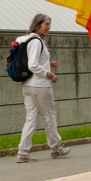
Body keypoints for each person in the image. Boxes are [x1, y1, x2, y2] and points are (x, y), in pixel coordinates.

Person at [15, 14, 71, 162]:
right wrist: (49, 74)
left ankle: (23, 152)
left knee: (31, 119)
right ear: (38, 24)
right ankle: (56, 149)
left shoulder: (24, 39)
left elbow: (30, 61)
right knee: (49, 116)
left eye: (49, 24)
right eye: (46, 24)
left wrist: (48, 63)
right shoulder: (36, 41)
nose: (49, 27)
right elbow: (33, 65)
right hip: (40, 85)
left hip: (27, 85)